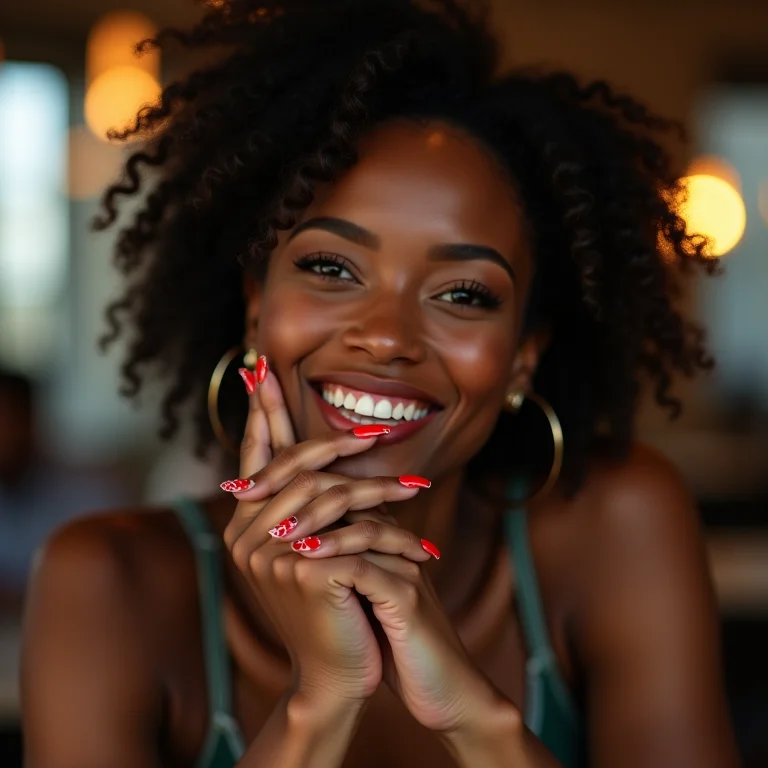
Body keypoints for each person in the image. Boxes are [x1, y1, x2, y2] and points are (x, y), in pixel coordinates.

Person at [21, 1, 739, 766]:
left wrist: (472, 715)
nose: (389, 336)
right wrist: (323, 702)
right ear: (256, 308)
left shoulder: (616, 525)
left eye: (464, 293)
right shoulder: (110, 585)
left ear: (523, 355)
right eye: (331, 268)